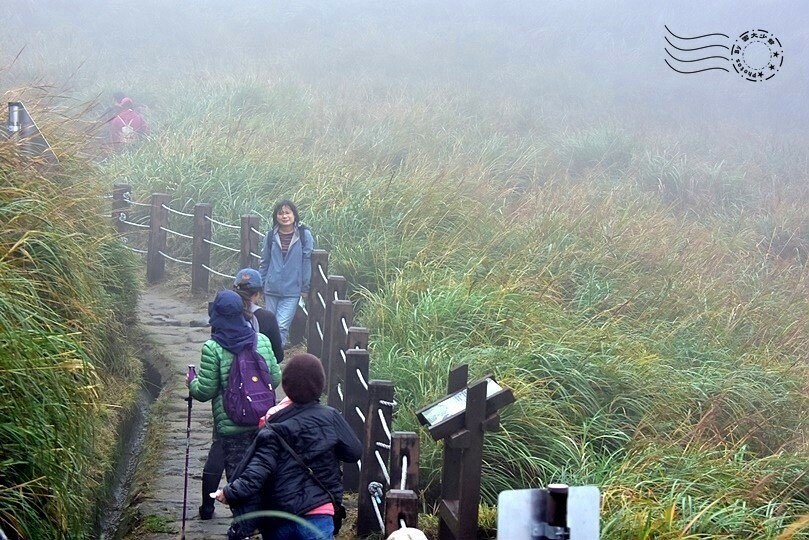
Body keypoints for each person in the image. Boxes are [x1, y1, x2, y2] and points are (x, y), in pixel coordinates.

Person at [215, 353, 362, 540]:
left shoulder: (272, 427)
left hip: (279, 516)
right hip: (318, 513)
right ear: (320, 384)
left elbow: (256, 472)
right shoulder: (331, 417)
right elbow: (353, 452)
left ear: (285, 385)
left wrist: (229, 493)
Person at [198, 271, 285, 521]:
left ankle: (218, 511)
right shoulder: (262, 339)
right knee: (258, 468)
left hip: (229, 421)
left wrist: (192, 384)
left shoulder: (213, 346)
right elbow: (275, 378)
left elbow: (205, 390)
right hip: (261, 418)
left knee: (227, 464)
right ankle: (254, 520)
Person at [258, 200, 314, 348]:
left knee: (281, 325)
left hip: (293, 290)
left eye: (288, 212)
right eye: (281, 213)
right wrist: (261, 284)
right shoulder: (270, 236)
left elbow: (307, 262)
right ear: (276, 216)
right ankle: (267, 357)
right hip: (271, 288)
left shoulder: (304, 235)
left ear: (294, 215)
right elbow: (264, 262)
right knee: (269, 325)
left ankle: (275, 357)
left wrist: (305, 288)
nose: (284, 216)